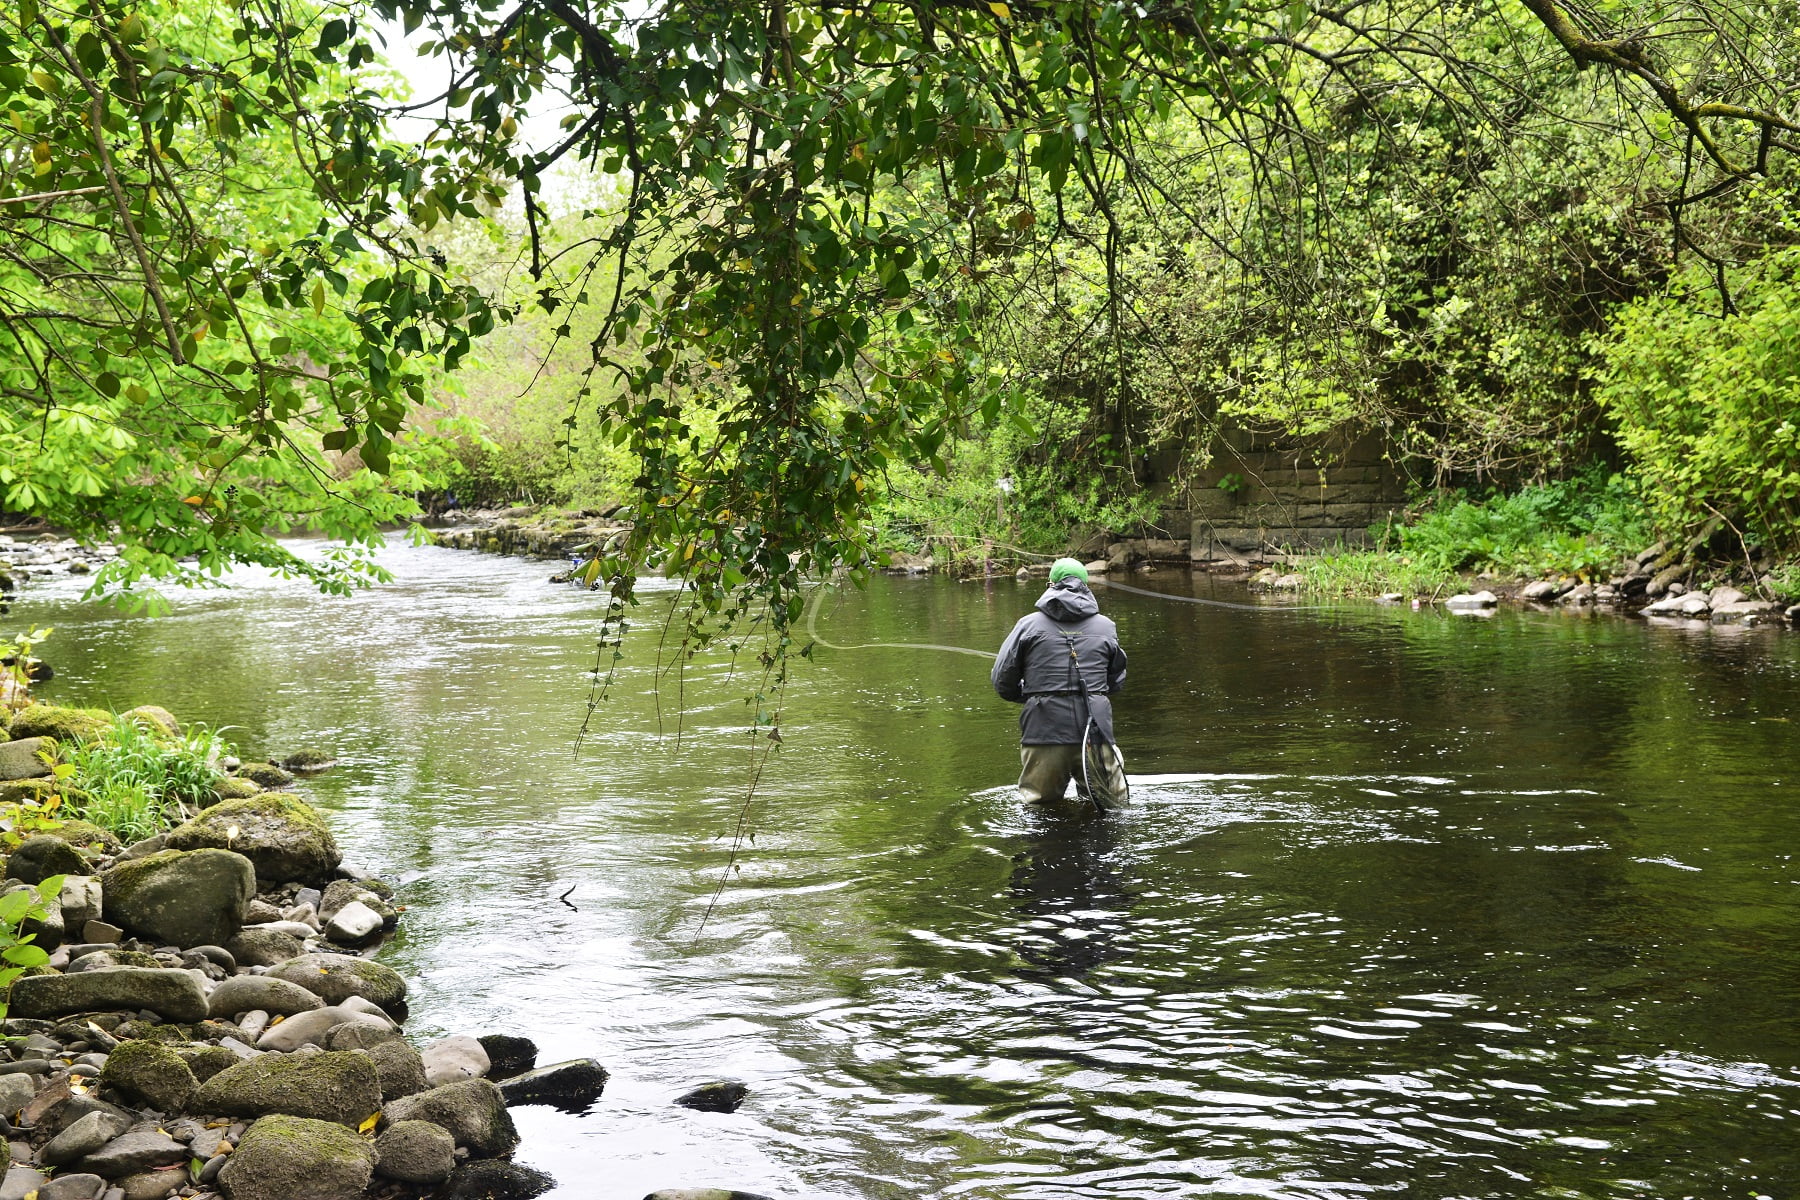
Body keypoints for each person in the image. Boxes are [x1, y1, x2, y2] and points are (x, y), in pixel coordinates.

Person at [991, 558, 1129, 810]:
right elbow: (1116, 680)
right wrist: (1094, 694)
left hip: (1044, 729)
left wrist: (1034, 695)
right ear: (1086, 586)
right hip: (1096, 731)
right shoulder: (1106, 627)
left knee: (1039, 810)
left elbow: (1002, 681)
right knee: (1112, 808)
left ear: (1051, 585)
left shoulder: (1028, 625)